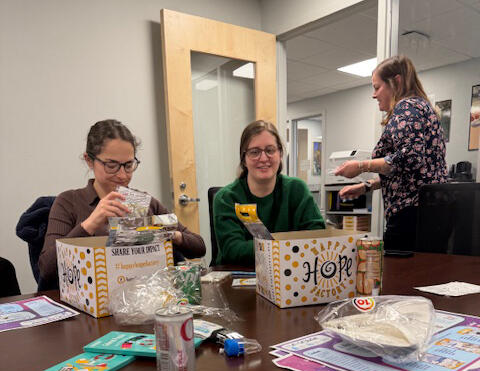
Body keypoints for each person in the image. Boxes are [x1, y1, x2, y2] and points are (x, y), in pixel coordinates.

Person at [39, 119, 206, 286]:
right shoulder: (69, 202)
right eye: (111, 165)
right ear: (89, 160)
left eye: (128, 165)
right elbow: (46, 270)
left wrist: (169, 233)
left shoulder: (145, 203)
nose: (122, 175)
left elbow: (199, 247)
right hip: (91, 302)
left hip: (142, 298)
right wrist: (89, 224)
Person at [335, 55, 448, 251]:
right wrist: (367, 187)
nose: (374, 94)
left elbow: (409, 158)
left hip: (410, 216)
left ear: (396, 82)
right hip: (431, 214)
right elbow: (413, 171)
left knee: (397, 276)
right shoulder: (423, 107)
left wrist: (361, 166)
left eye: (377, 87)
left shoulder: (406, 108)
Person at [213, 120, 325, 266]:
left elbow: (317, 236)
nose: (264, 158)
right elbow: (233, 251)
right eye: (255, 152)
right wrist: (291, 244)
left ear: (280, 154)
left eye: (270, 150)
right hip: (241, 277)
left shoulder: (297, 190)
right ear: (244, 159)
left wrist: (263, 246)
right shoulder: (226, 198)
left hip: (290, 275)